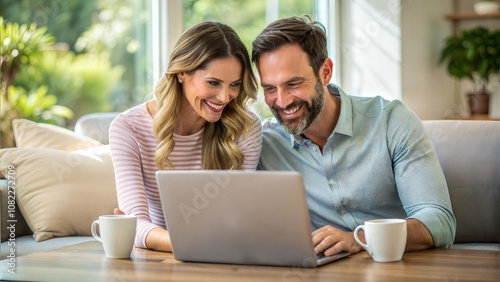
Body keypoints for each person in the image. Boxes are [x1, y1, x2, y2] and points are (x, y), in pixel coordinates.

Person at [252, 15, 456, 257]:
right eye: (270, 89)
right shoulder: (264, 143)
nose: (282, 101)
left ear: (325, 72)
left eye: (294, 84)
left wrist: (360, 239)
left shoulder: (391, 122)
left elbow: (440, 222)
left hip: (400, 268)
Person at [109, 21, 262, 252]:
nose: (224, 97)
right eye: (213, 83)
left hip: (223, 256)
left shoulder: (245, 126)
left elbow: (239, 217)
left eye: (235, 85)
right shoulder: (128, 128)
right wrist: (192, 243)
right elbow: (134, 225)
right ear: (182, 72)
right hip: (163, 260)